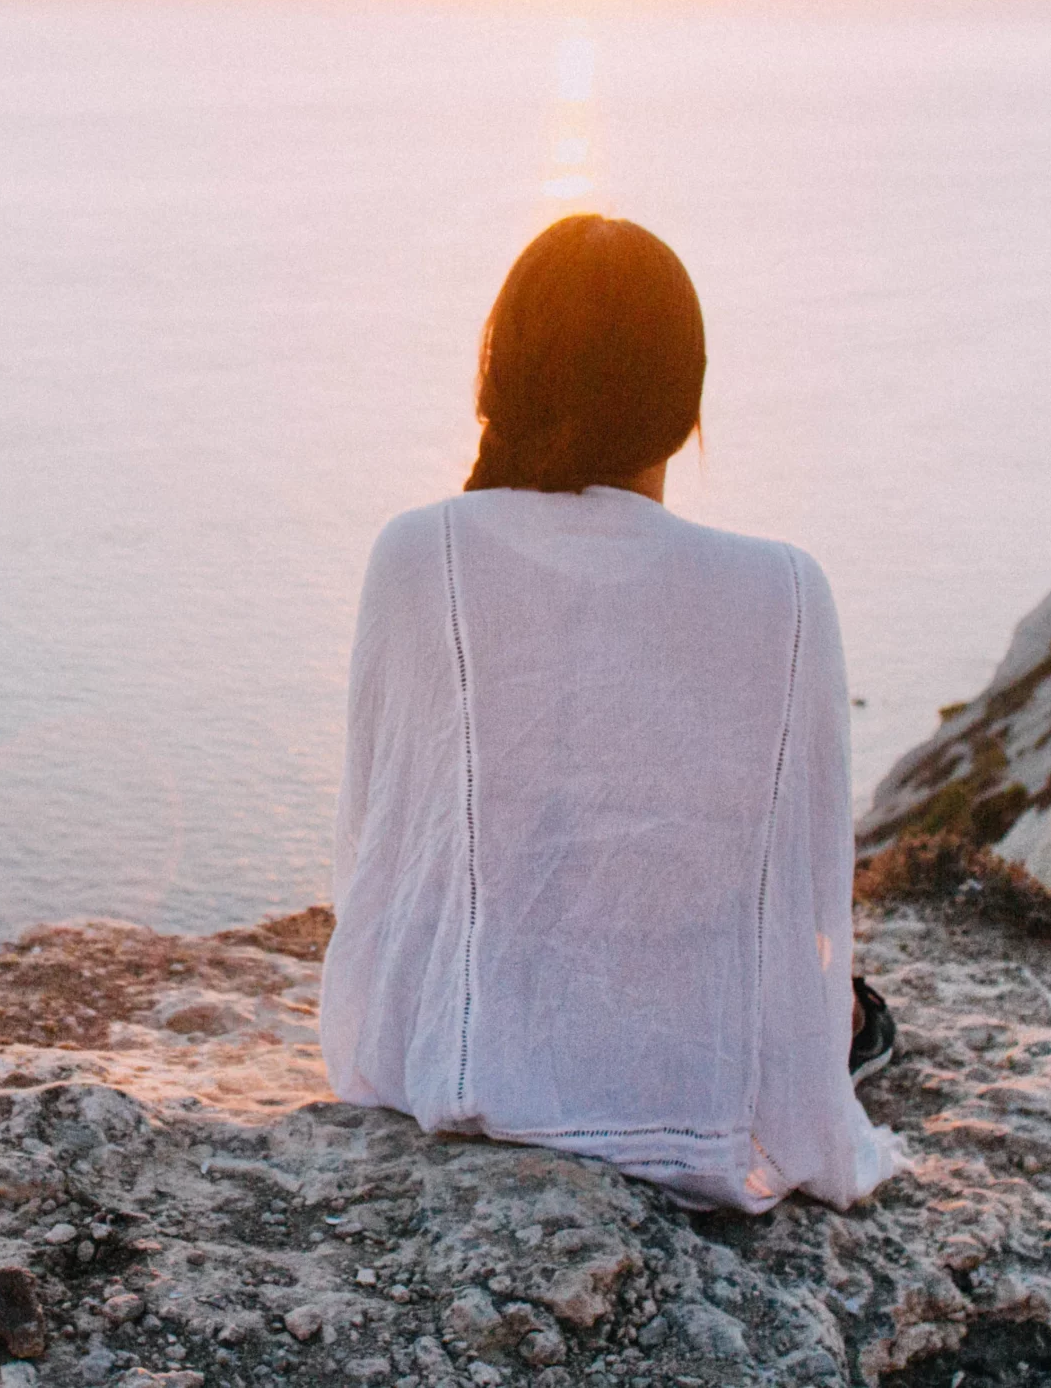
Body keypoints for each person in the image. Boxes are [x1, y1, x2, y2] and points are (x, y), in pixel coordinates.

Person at [319, 215, 901, 1212]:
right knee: (847, 1011)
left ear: (498, 377)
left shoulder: (417, 554)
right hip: (693, 1077)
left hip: (457, 1061)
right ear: (682, 403)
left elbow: (377, 857)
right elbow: (804, 891)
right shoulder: (787, 590)